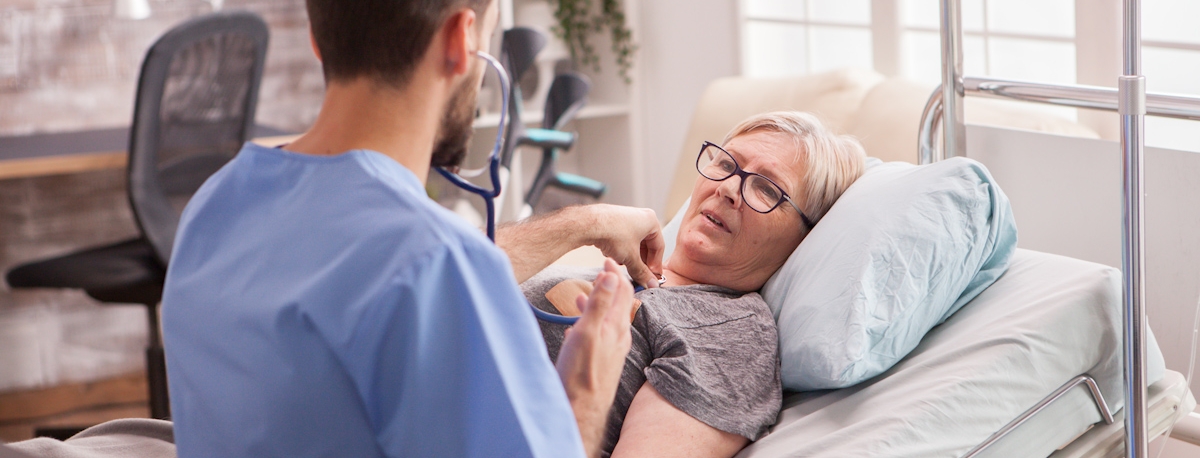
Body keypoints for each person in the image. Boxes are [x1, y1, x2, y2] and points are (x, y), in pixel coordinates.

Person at [160, 0, 663, 457]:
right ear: (460, 40)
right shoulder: (439, 263)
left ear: (317, 37)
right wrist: (586, 395)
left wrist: (590, 223)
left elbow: (366, 267)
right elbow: (415, 267)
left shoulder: (214, 203)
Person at [523, 111, 867, 457]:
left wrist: (582, 396)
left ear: (802, 238)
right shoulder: (625, 269)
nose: (729, 188)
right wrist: (589, 221)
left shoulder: (733, 337)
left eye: (766, 188)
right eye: (725, 163)